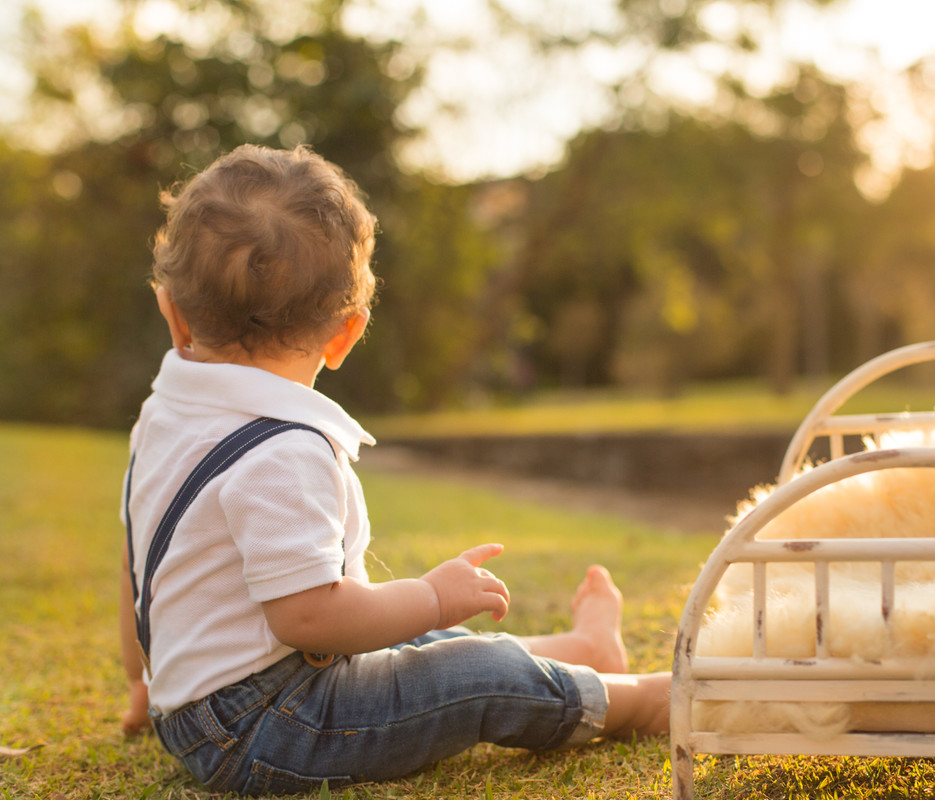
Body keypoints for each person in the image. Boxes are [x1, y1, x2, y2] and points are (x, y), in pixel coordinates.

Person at [119, 144, 670, 796]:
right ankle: (637, 703)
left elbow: (136, 565)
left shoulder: (165, 415)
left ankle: (584, 653)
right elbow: (311, 620)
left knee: (417, 639)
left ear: (172, 312)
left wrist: (144, 683)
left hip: (196, 712)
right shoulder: (281, 451)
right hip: (268, 727)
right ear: (347, 333)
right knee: (468, 672)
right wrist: (431, 593)